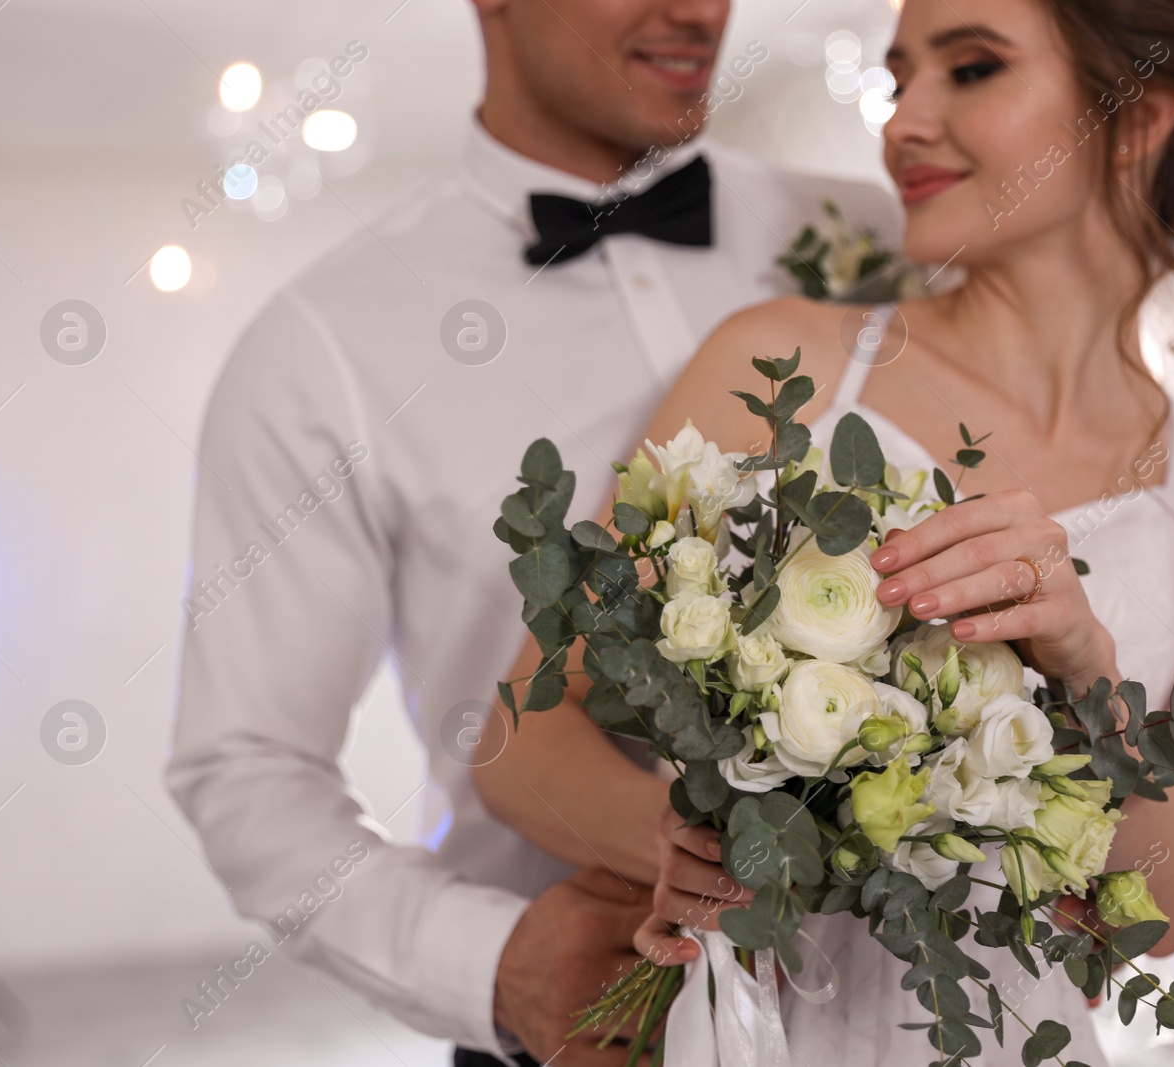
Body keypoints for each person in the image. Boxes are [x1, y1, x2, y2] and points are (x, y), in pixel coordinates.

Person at [473, 0, 1174, 1063]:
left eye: (973, 69)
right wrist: (690, 840)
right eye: (901, 77)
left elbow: (1160, 911)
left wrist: (1088, 671)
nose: (903, 123)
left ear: (1138, 118)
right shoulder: (777, 365)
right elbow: (514, 734)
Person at [164, 1, 900, 1066]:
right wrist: (493, 960)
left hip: (893, 1009)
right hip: (590, 1021)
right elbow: (246, 764)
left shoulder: (872, 237)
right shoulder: (323, 344)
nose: (697, 10)